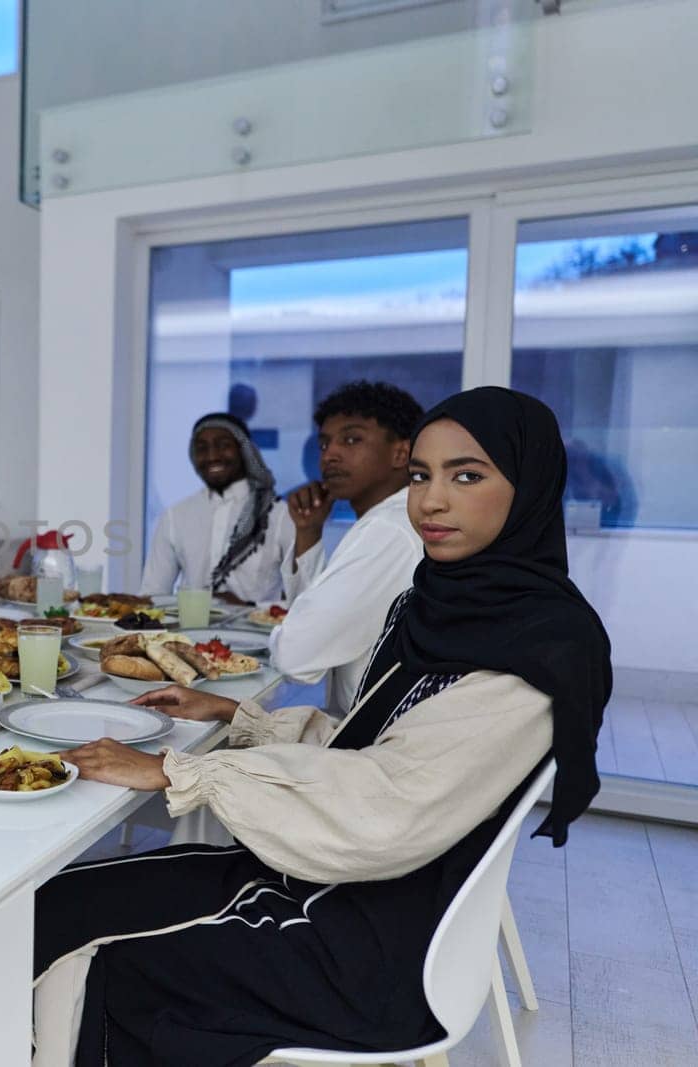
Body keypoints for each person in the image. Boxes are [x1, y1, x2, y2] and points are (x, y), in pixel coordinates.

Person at [31, 386, 611, 1066]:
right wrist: (239, 718)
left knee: (109, 969)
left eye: (468, 475)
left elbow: (385, 807)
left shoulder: (540, 649)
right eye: (423, 475)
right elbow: (368, 747)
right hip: (331, 871)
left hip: (373, 940)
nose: (431, 499)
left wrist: (183, 769)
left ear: (531, 487)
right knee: (52, 904)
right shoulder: (436, 602)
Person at [270, 381, 425, 714]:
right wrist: (309, 532)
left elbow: (295, 655)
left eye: (352, 439)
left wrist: (283, 637)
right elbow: (312, 623)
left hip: (369, 743)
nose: (330, 454)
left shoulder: (387, 529)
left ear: (402, 453)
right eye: (325, 443)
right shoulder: (393, 517)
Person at [139, 412, 293, 605]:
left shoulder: (279, 514)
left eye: (223, 445)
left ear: (244, 451)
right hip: (189, 633)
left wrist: (247, 607)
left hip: (259, 634)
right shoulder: (175, 516)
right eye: (202, 448)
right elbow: (153, 596)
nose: (212, 456)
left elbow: (304, 599)